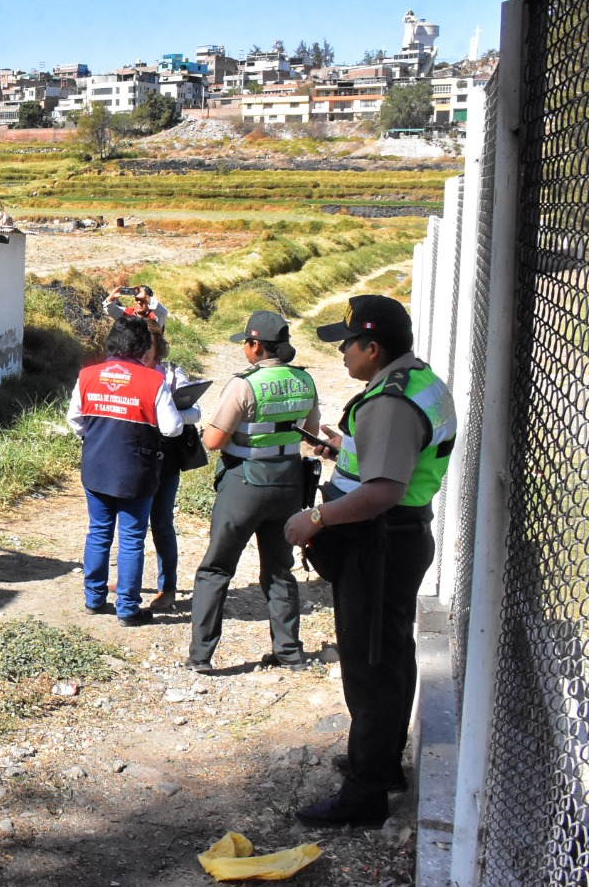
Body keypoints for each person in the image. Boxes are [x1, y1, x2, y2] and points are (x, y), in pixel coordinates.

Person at [283, 295, 456, 828]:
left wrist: (315, 519)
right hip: (399, 538)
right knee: (391, 656)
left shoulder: (389, 404)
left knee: (369, 668)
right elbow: (390, 460)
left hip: (379, 544)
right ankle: (379, 762)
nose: (341, 352)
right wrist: (344, 447)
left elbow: (383, 490)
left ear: (373, 347)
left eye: (347, 342)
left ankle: (364, 795)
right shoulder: (414, 381)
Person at [186, 311, 320, 673]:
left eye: (246, 342)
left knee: (216, 568)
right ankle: (289, 653)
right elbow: (311, 430)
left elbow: (213, 441)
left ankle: (201, 656)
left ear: (256, 345)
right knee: (279, 569)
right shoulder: (304, 380)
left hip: (245, 481)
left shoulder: (245, 384)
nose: (245, 348)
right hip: (289, 482)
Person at [65, 314, 184, 625]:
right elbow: (172, 428)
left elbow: (74, 419)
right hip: (137, 470)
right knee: (132, 538)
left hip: (96, 465)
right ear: (144, 348)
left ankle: (93, 598)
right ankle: (128, 609)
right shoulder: (153, 381)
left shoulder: (88, 375)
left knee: (99, 532)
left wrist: (98, 436)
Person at [145, 323, 203, 614]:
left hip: (166, 458)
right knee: (130, 524)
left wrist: (166, 413)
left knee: (162, 523)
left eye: (149, 343)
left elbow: (196, 412)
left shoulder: (171, 373)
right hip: (134, 458)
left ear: (158, 345)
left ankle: (167, 588)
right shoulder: (126, 373)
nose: (143, 350)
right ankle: (126, 579)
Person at [104, 284, 168, 327]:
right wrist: (111, 298)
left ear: (149, 301)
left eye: (143, 300)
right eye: (137, 299)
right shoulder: (126, 313)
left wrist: (145, 297)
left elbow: (163, 313)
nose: (139, 302)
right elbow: (110, 309)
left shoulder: (154, 317)